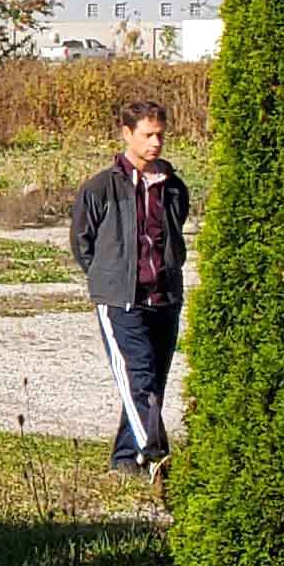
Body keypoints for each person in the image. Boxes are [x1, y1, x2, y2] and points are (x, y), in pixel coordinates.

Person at [70, 100, 189, 473]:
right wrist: (108, 277)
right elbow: (82, 241)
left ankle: (125, 460)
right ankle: (156, 455)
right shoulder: (101, 187)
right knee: (139, 377)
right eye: (147, 135)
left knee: (153, 381)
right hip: (121, 300)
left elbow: (175, 229)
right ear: (127, 134)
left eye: (160, 135)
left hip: (165, 297)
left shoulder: (172, 186)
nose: (155, 143)